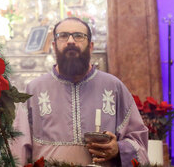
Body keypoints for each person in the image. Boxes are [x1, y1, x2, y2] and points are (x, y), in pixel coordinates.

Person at [11, 17, 148, 166]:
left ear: (91, 46)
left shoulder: (114, 87)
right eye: (63, 36)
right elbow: (18, 149)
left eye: (78, 36)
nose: (70, 41)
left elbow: (139, 142)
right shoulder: (34, 89)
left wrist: (118, 149)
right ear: (53, 46)